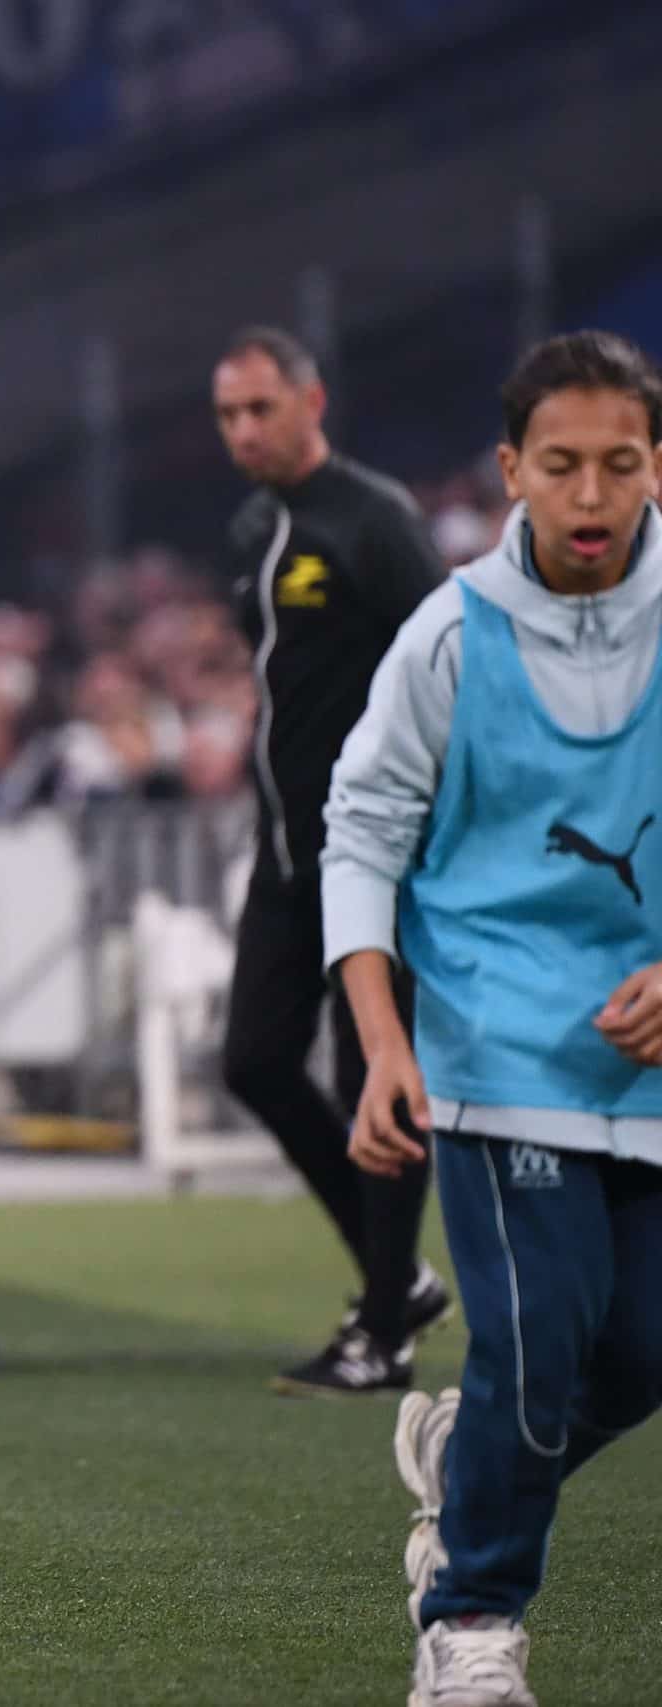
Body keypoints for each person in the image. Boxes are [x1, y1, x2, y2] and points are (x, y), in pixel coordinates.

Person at [324, 330, 662, 1707]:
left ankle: (472, 1452)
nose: (591, 496)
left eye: (622, 464)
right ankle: (470, 1623)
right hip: (493, 1054)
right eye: (563, 465)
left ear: (656, 466)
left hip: (646, 1064)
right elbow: (363, 831)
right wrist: (384, 1041)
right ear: (513, 469)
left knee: (638, 1354)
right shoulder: (450, 634)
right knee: (535, 1340)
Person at [212, 324, 452, 1395]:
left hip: (378, 849)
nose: (242, 431)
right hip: (281, 852)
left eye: (260, 409)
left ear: (312, 403)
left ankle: (386, 1329)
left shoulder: (375, 520)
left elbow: (450, 665)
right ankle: (391, 1270)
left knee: (373, 1076)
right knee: (254, 1061)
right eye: (226, 415)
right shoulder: (252, 527)